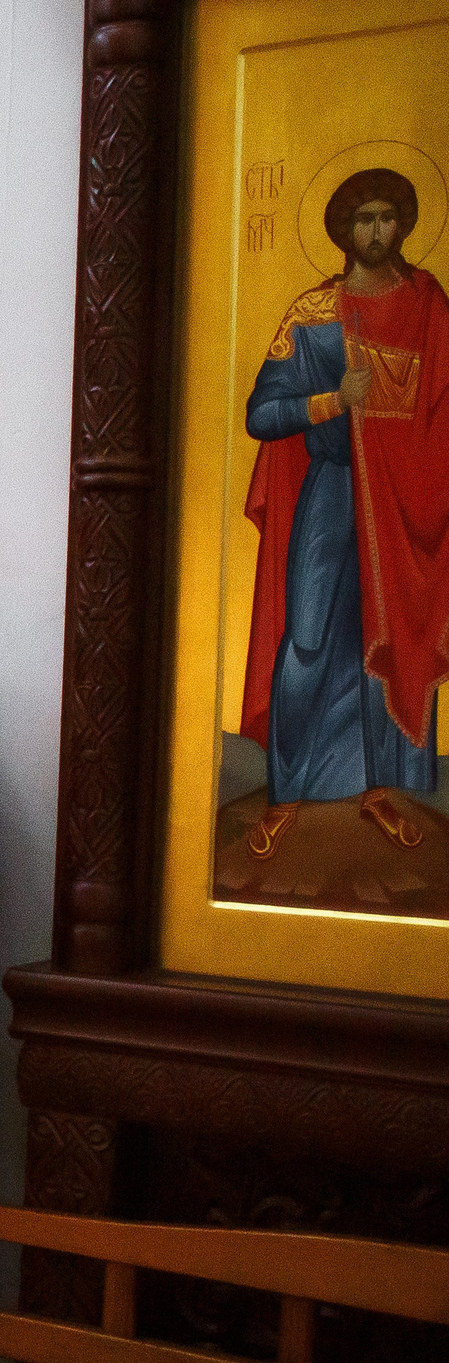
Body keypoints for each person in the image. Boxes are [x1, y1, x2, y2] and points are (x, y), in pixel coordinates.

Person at [239, 168, 446, 859]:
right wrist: (332, 400)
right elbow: (261, 415)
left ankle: (379, 787)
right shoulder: (313, 314)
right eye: (365, 218)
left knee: (384, 639)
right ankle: (287, 793)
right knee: (306, 637)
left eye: (389, 216)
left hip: (405, 499)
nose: (378, 230)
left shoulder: (428, 306)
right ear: (344, 229)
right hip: (333, 492)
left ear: (405, 224)